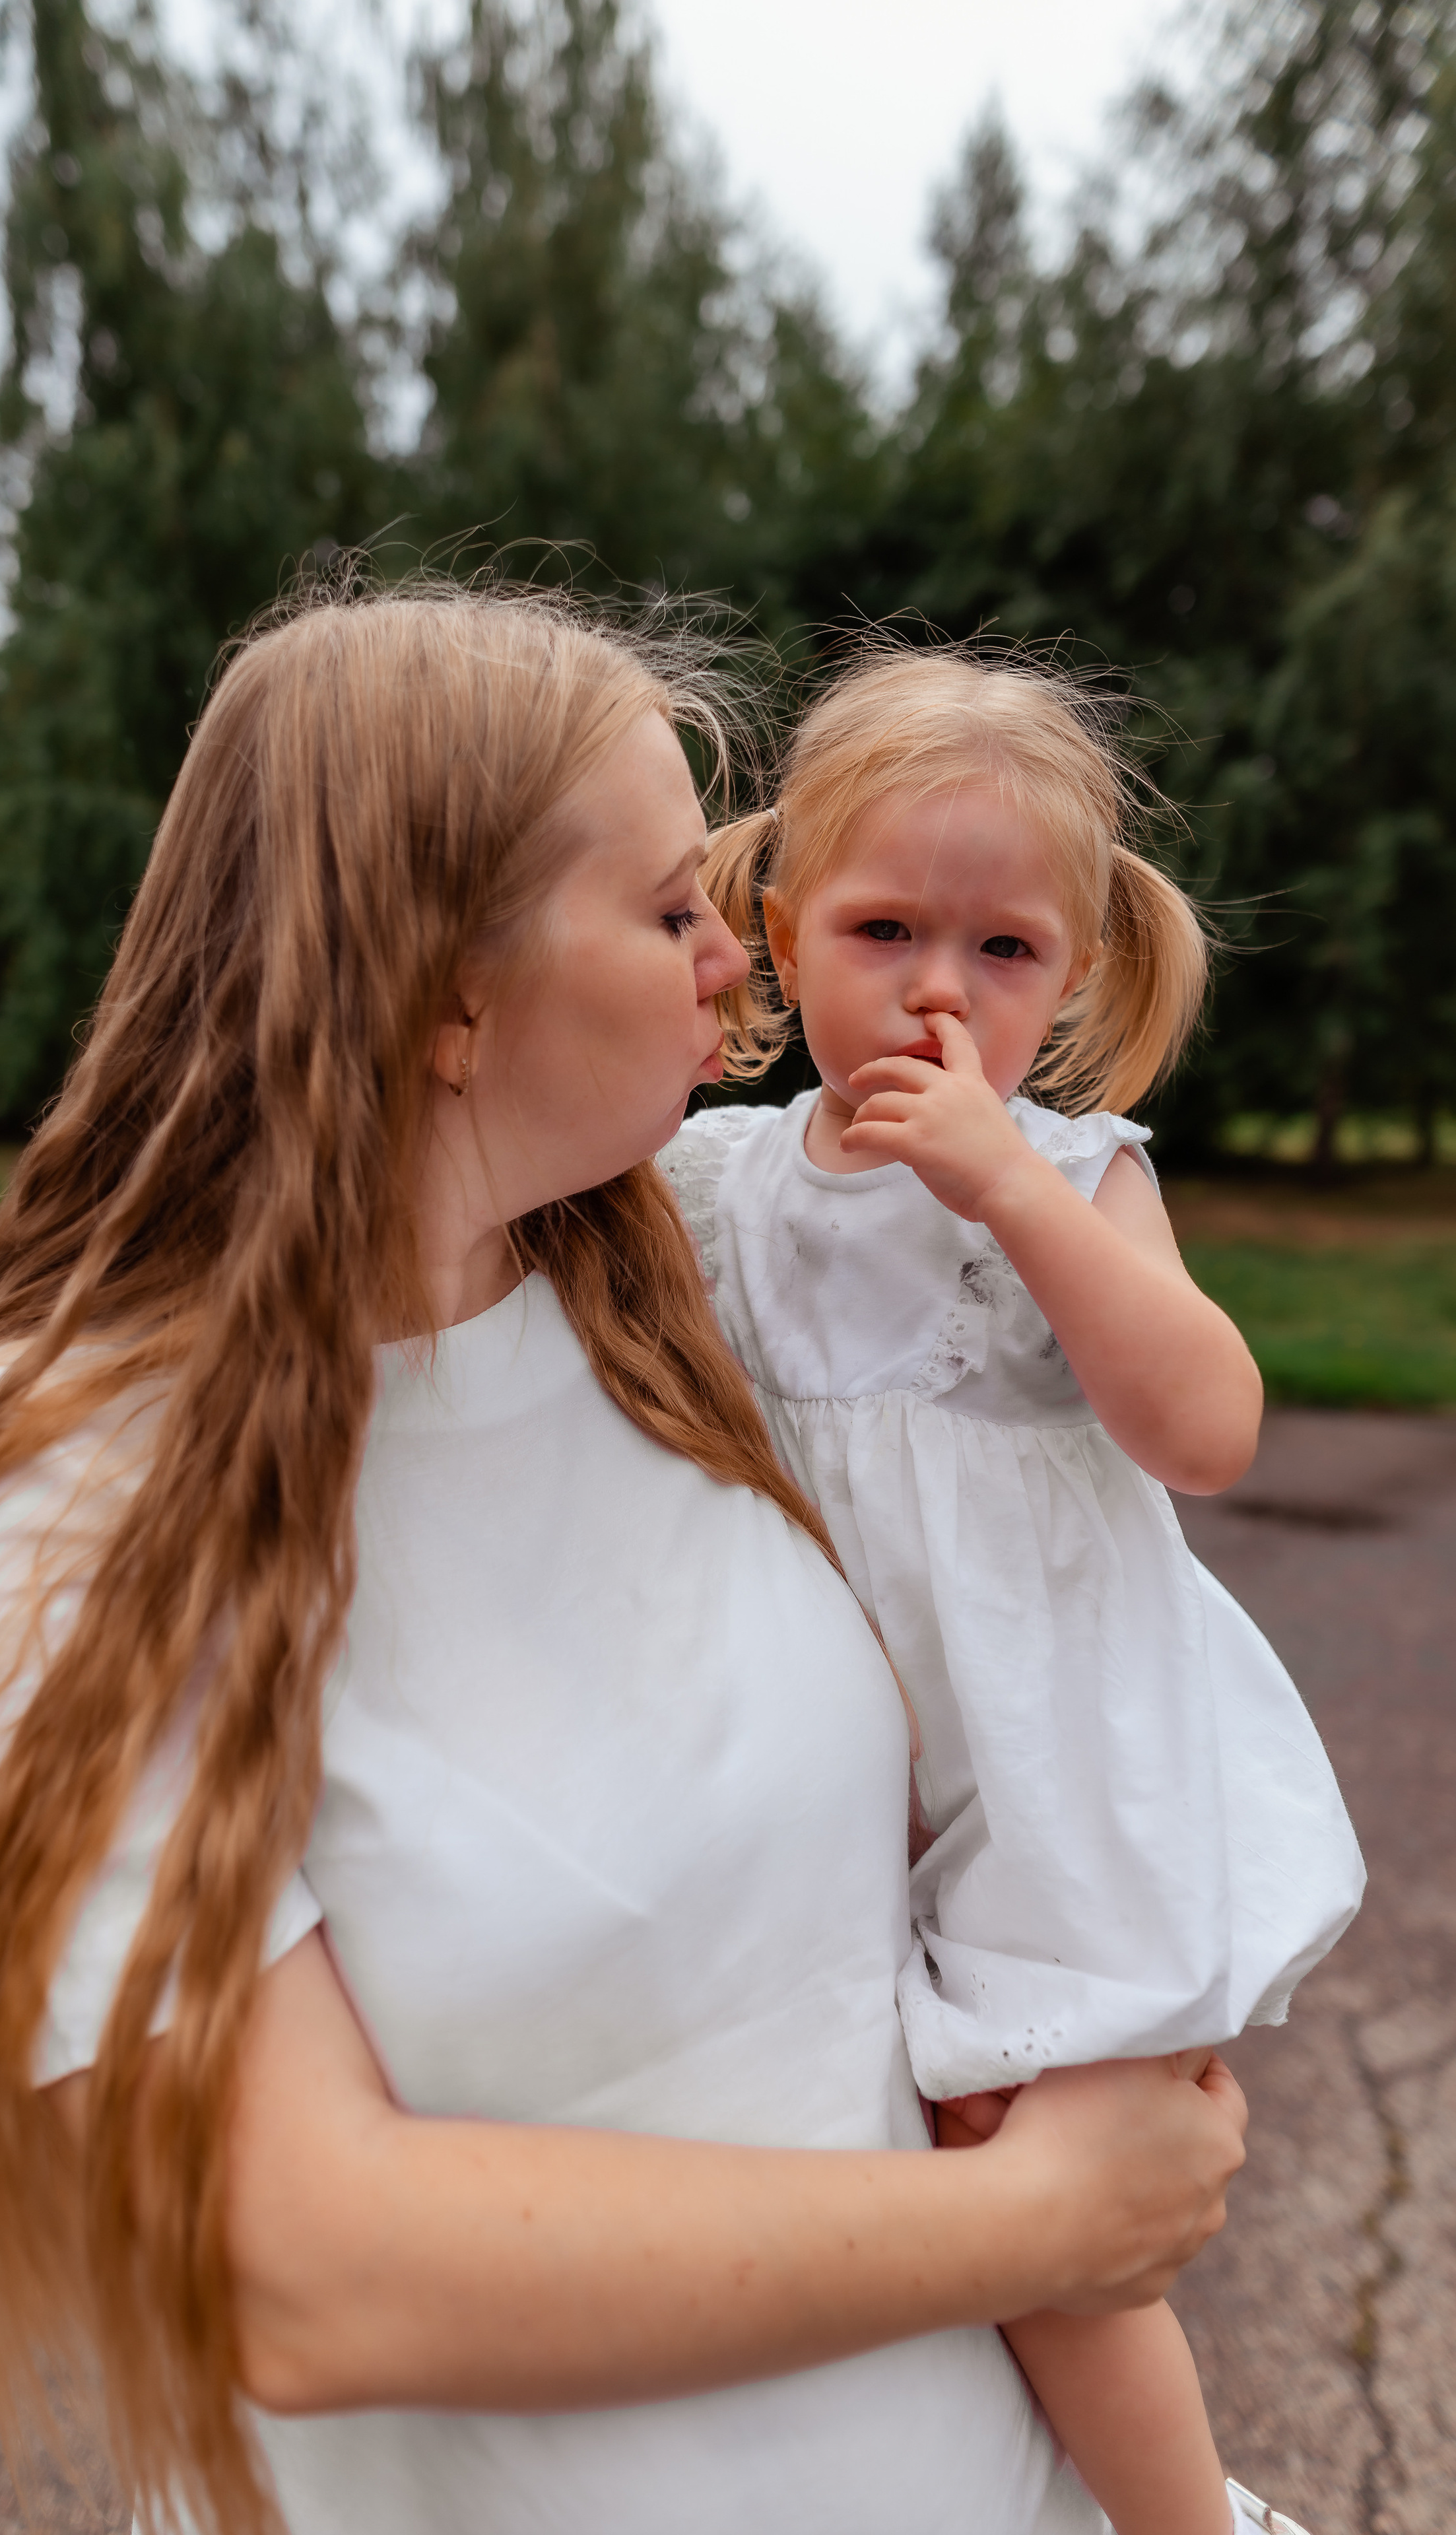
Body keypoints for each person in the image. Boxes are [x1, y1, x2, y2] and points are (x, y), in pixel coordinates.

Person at [0, 585, 1249, 2535]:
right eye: (680, 908)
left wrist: (1100, 2030)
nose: (730, 969)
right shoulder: (61, 1472)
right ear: (444, 991)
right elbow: (299, 2272)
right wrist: (1039, 2220)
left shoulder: (677, 1302)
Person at [658, 643, 1364, 2535]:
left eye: (1006, 953)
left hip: (1049, 1774)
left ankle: (1181, 2528)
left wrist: (1018, 1201)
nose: (940, 994)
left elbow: (1207, 1426)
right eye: (888, 930)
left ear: (1076, 978)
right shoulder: (716, 1184)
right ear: (784, 935)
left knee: (1044, 2207)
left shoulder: (1071, 1168)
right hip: (816, 1769)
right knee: (859, 2163)